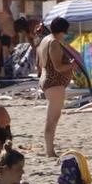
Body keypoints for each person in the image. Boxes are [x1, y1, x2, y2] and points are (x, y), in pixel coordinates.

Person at [38, 15, 76, 156]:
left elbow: (41, 63)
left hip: (47, 81)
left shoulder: (45, 40)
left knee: (52, 118)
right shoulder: (54, 43)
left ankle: (49, 149)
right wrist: (71, 65)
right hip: (55, 83)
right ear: (63, 31)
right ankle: (50, 151)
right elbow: (58, 67)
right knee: (52, 119)